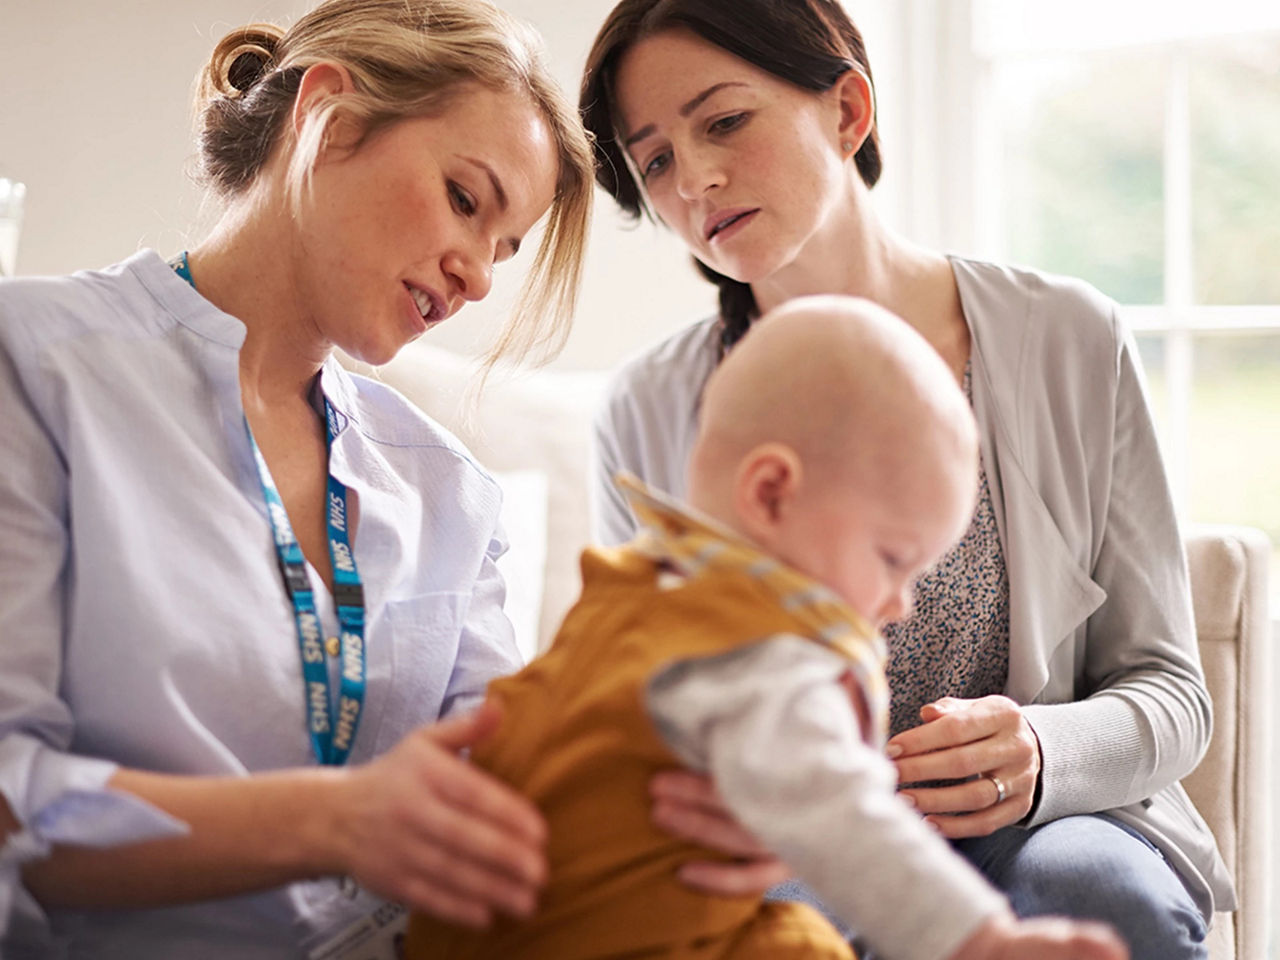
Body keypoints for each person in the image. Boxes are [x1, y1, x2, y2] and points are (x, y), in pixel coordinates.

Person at [578, 2, 1234, 958]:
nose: (697, 181)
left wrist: (1045, 751)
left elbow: (1173, 691)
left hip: (1061, 823)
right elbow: (656, 722)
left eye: (723, 122)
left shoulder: (1068, 339)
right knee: (794, 925)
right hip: (806, 835)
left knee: (1094, 893)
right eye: (657, 161)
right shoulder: (645, 410)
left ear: (848, 109)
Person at [0, 0, 594, 956]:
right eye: (466, 200)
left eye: (504, 249)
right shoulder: (31, 365)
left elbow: (513, 789)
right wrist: (337, 821)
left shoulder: (453, 495)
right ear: (329, 117)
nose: (480, 276)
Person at [403, 295, 1128, 960]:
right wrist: (985, 939)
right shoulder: (759, 655)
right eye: (892, 559)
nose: (900, 602)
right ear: (772, 492)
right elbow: (848, 824)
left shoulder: (640, 592)